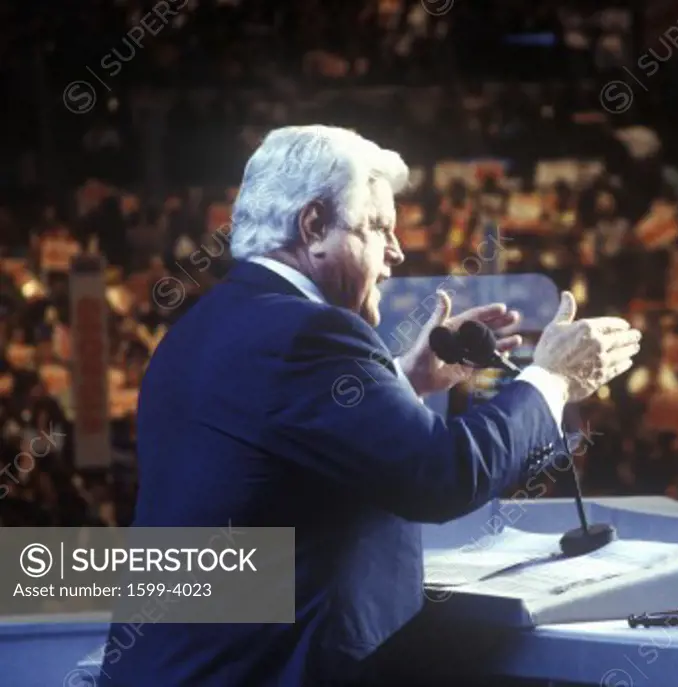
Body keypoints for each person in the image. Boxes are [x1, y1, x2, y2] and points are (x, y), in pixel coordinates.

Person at [98, 125, 642, 687]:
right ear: (313, 227)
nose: (397, 252)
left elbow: (284, 457)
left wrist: (404, 379)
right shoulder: (308, 332)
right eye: (380, 226)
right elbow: (443, 475)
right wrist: (550, 379)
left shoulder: (201, 328)